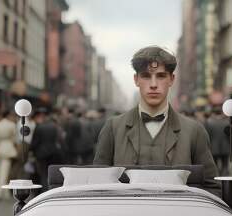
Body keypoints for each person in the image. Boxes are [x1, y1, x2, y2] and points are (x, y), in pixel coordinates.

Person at [93, 46, 220, 196]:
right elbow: (97, 187)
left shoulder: (194, 131)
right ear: (136, 80)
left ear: (171, 79)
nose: (153, 84)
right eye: (146, 76)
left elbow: (213, 188)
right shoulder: (113, 128)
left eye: (161, 76)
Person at [0, 111, 18, 199]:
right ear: (8, 115)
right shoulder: (12, 125)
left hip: (0, 148)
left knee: (2, 172)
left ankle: (5, 193)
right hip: (8, 148)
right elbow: (14, 139)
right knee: (4, 173)